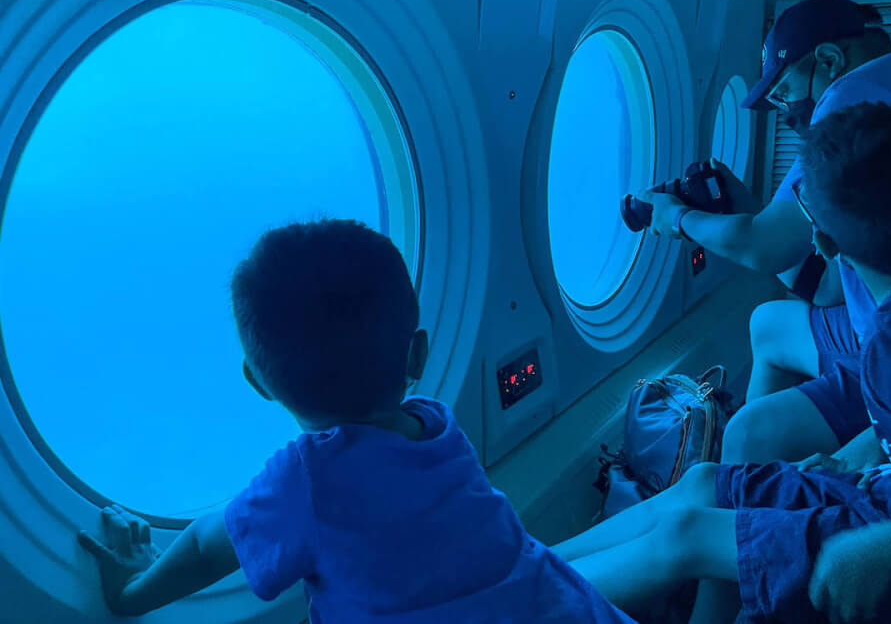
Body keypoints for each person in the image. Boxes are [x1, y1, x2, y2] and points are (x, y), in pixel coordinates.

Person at [554, 102, 891, 624]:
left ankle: (506, 600)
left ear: (823, 241)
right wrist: (861, 452)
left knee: (689, 536)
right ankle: (524, 564)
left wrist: (880, 549)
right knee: (704, 484)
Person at [76, 220, 636, 622]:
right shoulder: (439, 429)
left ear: (257, 383)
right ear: (416, 357)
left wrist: (130, 592)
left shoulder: (309, 478)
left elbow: (203, 547)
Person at [639, 0, 891, 468]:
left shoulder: (853, 96)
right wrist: (749, 211)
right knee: (768, 324)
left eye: (785, 91)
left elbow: (762, 247)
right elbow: (829, 286)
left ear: (829, 60)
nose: (788, 112)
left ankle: (746, 491)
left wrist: (677, 219)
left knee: (750, 432)